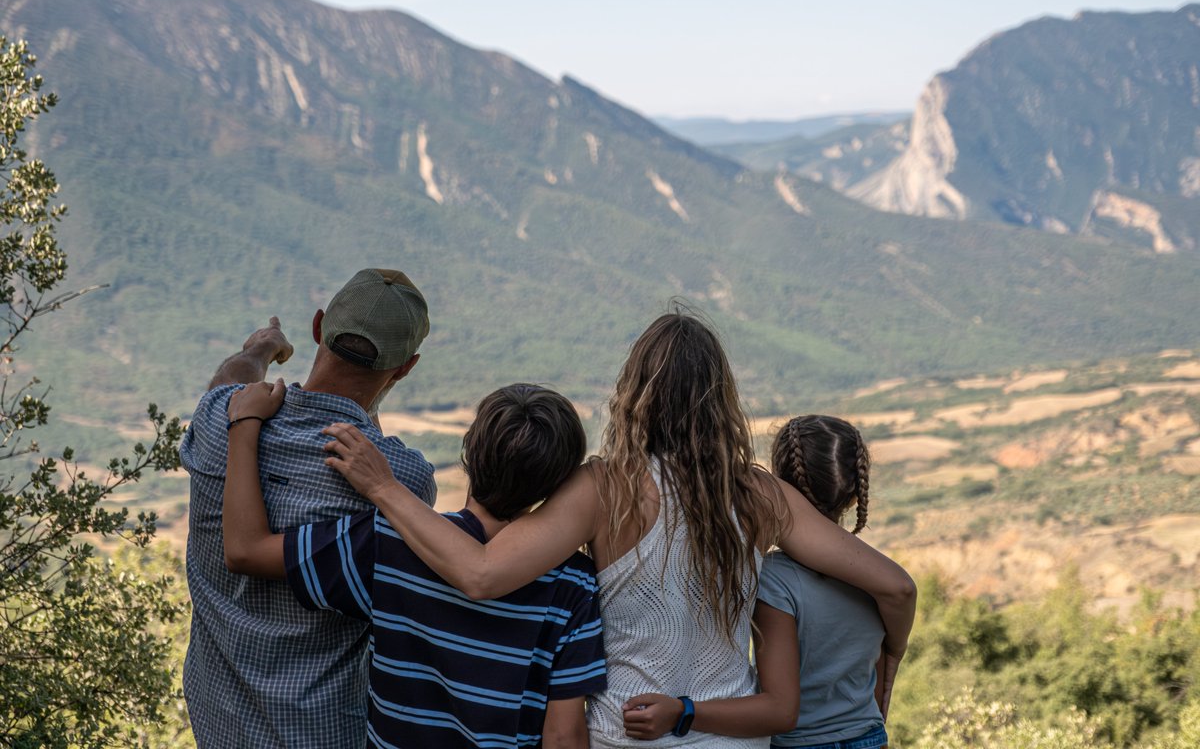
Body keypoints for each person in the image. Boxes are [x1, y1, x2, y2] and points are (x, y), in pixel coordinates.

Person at [319, 310, 916, 748]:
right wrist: (888, 667)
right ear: (720, 400)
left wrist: (384, 489)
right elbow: (896, 587)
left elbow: (480, 574)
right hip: (730, 739)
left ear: (635, 394)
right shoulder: (761, 494)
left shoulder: (604, 488)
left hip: (620, 735)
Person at [222, 381, 607, 748]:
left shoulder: (389, 544)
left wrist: (244, 424)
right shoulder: (573, 583)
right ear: (557, 486)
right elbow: (563, 737)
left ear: (469, 452)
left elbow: (245, 551)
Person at [180, 268, 437, 748]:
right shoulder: (400, 481)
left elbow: (225, 381)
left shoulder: (225, 420)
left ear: (318, 326)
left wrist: (260, 349)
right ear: (405, 367)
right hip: (322, 730)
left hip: (217, 723)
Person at [622, 415, 893, 749]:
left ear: (780, 485)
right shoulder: (875, 580)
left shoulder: (774, 579)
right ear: (855, 494)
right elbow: (878, 687)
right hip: (869, 738)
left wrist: (683, 711)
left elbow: (780, 706)